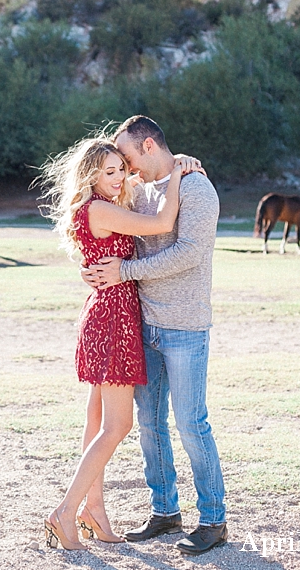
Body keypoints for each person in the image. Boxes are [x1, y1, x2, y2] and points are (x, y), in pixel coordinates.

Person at [82, 115, 227, 556]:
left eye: (126, 157)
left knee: (191, 423)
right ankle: (165, 510)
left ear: (147, 146)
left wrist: (124, 271)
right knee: (149, 424)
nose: (123, 168)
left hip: (185, 326)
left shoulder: (198, 189)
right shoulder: (139, 192)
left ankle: (213, 519)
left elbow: (188, 253)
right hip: (142, 326)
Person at [39, 137, 191, 550]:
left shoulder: (96, 206)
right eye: (109, 171)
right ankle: (65, 512)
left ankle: (95, 510)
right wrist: (177, 173)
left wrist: (172, 162)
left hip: (105, 312)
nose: (119, 176)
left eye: (121, 168)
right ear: (91, 175)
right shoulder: (102, 208)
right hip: (113, 320)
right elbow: (162, 223)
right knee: (118, 424)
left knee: (96, 420)